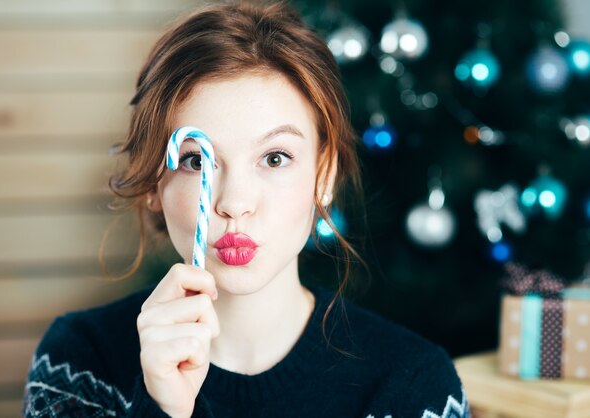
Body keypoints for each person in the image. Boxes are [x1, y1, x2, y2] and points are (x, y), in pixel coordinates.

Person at [23, 1, 470, 417]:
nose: (234, 203)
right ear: (152, 186)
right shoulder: (79, 363)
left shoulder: (414, 385)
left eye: (275, 158)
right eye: (196, 161)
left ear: (324, 175)